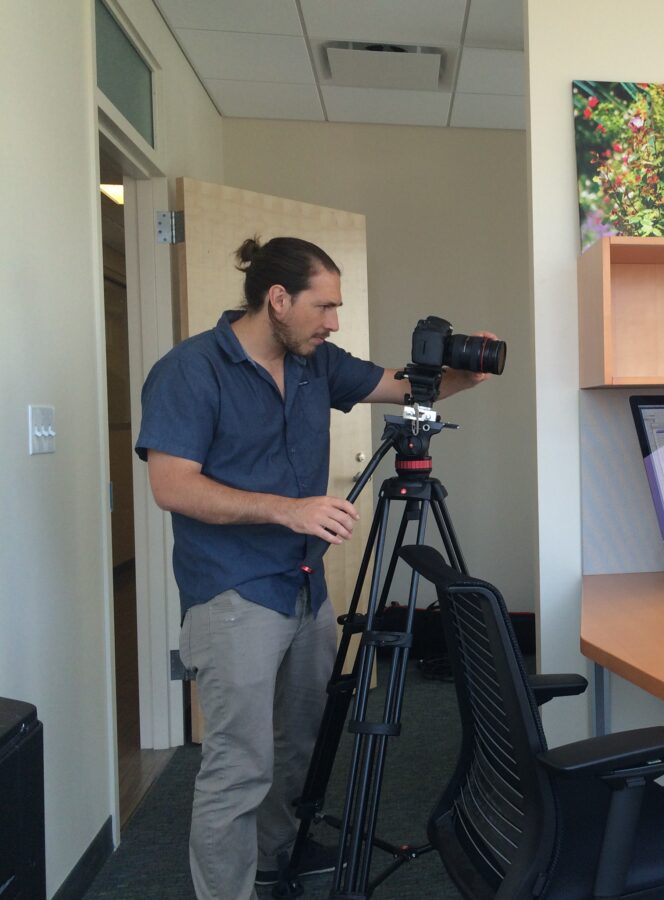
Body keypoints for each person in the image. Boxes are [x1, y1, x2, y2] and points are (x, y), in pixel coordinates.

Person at [135, 236, 493, 900]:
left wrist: (464, 374)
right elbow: (173, 486)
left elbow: (399, 385)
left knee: (297, 744)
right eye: (324, 306)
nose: (333, 322)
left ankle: (276, 857)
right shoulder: (190, 370)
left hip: (305, 590)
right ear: (278, 299)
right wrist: (287, 510)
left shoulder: (314, 364)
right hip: (233, 592)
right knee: (238, 767)